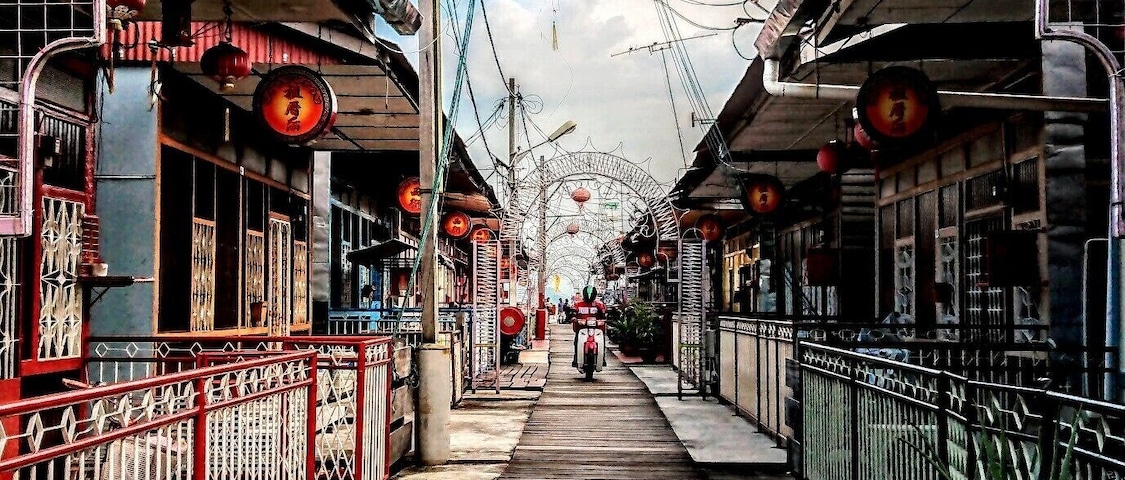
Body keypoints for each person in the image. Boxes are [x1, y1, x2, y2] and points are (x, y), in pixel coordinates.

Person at [571, 285, 606, 367]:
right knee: (576, 342)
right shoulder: (578, 304)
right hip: (581, 329)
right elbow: (573, 313)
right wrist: (573, 318)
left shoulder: (599, 305)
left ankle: (602, 356)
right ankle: (576, 357)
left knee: (602, 341)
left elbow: (604, 316)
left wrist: (604, 320)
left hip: (596, 329)